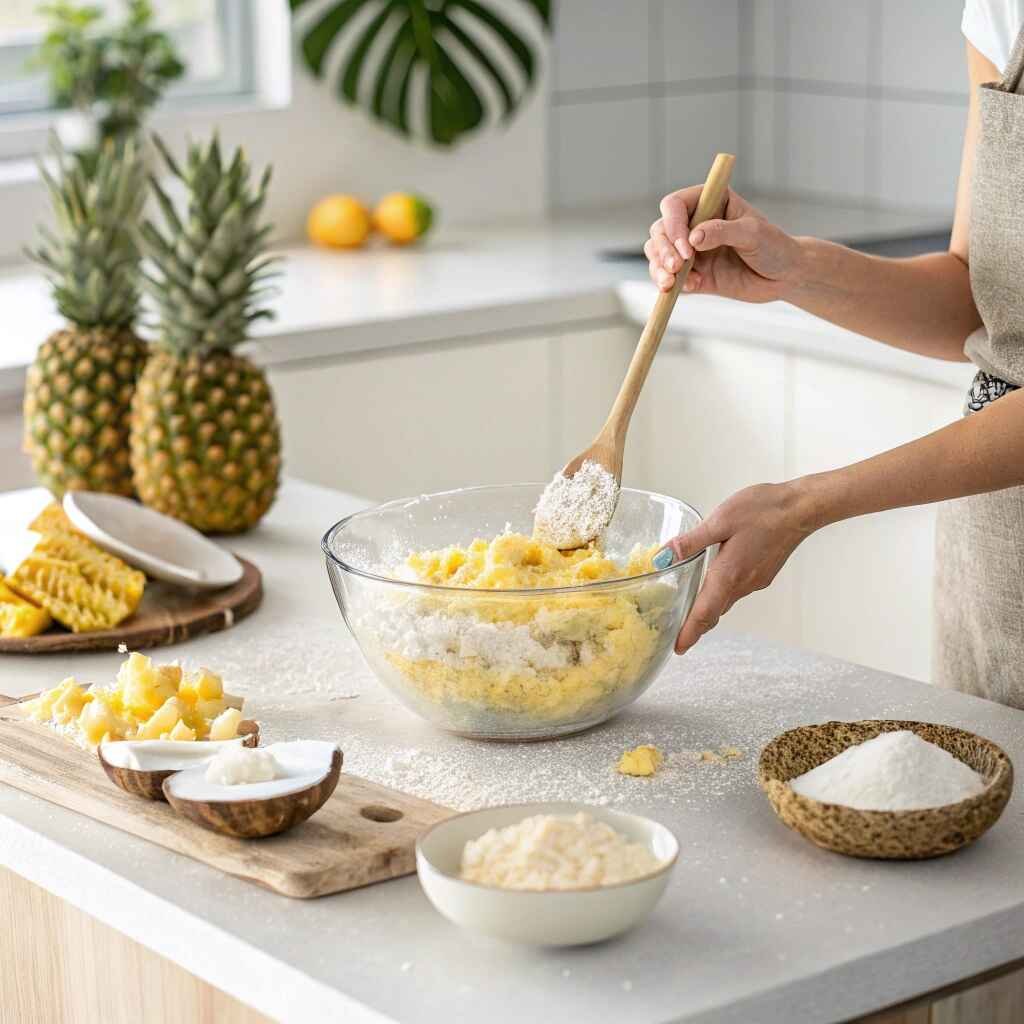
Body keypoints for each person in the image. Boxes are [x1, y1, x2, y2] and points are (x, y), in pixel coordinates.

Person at [647, 0, 1024, 708]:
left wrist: (802, 505)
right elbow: (983, 306)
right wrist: (791, 269)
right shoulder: (1003, 15)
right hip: (999, 575)